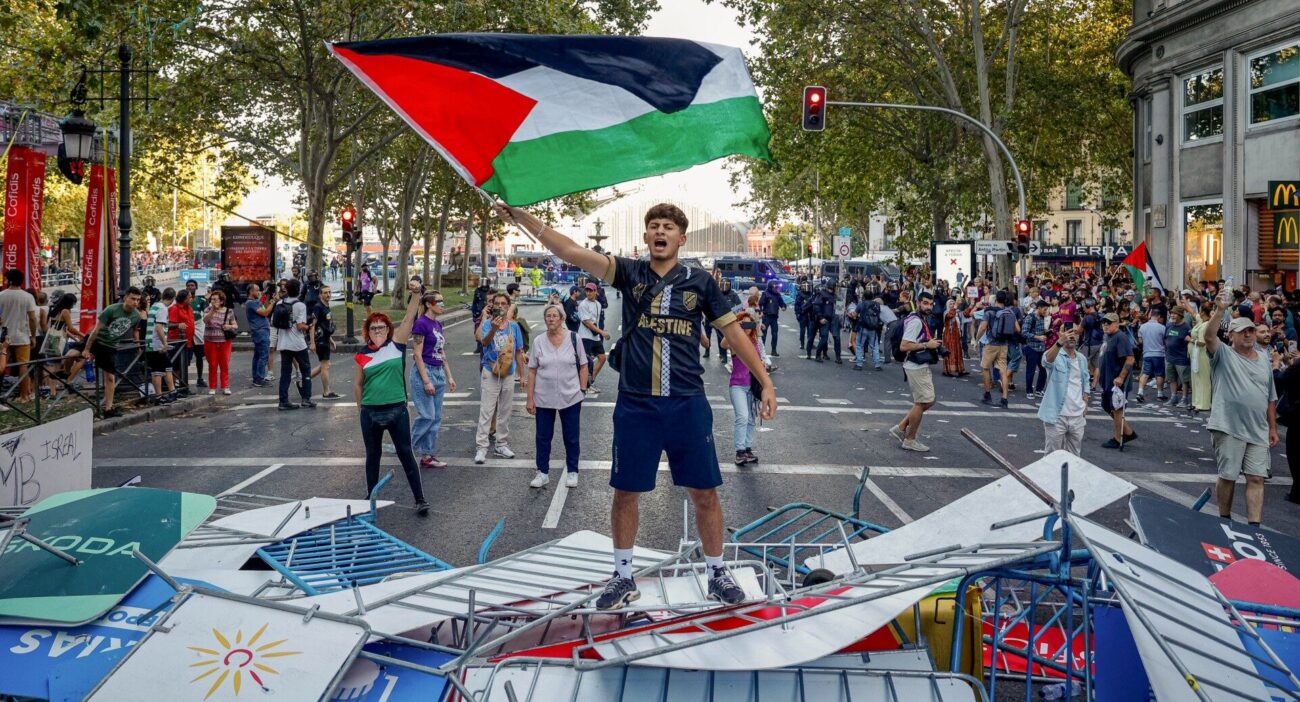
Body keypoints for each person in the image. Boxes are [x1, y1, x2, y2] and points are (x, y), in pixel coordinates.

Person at [497, 201, 775, 611]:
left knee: (705, 493)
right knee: (625, 492)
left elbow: (733, 334)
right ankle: (623, 576)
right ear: (646, 237)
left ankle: (716, 571)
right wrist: (523, 218)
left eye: (668, 227)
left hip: (686, 403)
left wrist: (764, 380)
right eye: (654, 226)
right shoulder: (628, 273)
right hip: (636, 405)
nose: (660, 231)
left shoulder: (700, 282)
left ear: (681, 238)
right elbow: (571, 251)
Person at [355, 281, 429, 516]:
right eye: (374, 328)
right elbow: (358, 384)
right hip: (370, 412)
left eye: (382, 328)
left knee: (406, 454)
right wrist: (361, 410)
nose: (378, 331)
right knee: (372, 457)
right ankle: (370, 499)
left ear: (388, 330)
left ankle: (420, 499)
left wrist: (416, 294)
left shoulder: (397, 346)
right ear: (368, 331)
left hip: (396, 410)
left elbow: (408, 318)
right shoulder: (362, 355)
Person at [1203, 294, 1277, 526]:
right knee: (1229, 476)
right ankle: (1224, 519)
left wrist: (1273, 427)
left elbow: (1270, 396)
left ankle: (1254, 526)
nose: (1248, 334)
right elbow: (1208, 336)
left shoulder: (1264, 358)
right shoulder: (1223, 354)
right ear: (1231, 336)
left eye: (1251, 331)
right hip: (1228, 426)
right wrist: (1220, 310)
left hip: (1258, 429)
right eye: (1242, 331)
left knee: (1257, 477)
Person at [526, 304, 589, 487]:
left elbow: (583, 365)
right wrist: (530, 399)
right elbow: (531, 371)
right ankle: (542, 472)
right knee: (543, 437)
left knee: (571, 436)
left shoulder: (574, 338)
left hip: (570, 396)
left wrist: (582, 390)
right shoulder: (539, 341)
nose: (551, 319)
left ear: (562, 319)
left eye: (555, 316)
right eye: (548, 316)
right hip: (544, 397)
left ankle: (572, 471)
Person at [474, 291, 526, 464]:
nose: (501, 307)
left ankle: (501, 444)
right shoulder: (488, 324)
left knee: (505, 410)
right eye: (498, 304)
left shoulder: (514, 326)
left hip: (509, 372)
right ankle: (481, 447)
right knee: (487, 410)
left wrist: (522, 374)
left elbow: (519, 351)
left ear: (508, 305)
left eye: (504, 304)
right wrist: (494, 328)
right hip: (490, 369)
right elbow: (484, 342)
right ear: (493, 306)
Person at [410, 290, 457, 469]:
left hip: (438, 371)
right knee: (427, 416)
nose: (442, 305)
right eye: (439, 301)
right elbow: (417, 354)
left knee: (436, 418)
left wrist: (449, 376)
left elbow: (441, 352)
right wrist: (426, 380)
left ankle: (427, 455)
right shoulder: (421, 324)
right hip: (425, 372)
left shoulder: (437, 325)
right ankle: (407, 446)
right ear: (429, 304)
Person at [889, 292, 941, 452]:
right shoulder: (916, 322)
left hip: (917, 365)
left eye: (931, 304)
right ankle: (909, 439)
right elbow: (904, 346)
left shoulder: (917, 318)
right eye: (925, 303)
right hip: (915, 365)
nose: (928, 307)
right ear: (918, 303)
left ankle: (901, 427)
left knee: (926, 401)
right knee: (923, 402)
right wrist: (927, 345)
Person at [85, 287, 143, 418]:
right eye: (133, 299)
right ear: (125, 298)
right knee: (76, 355)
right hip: (97, 341)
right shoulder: (111, 310)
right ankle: (63, 374)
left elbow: (135, 330)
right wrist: (87, 349)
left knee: (110, 377)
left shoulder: (136, 316)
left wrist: (137, 344)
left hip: (110, 346)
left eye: (138, 300)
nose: (135, 302)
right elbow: (96, 330)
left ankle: (108, 408)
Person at [1038, 328, 1090, 456]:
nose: (1071, 336)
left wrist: (1086, 400)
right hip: (1057, 415)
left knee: (1074, 456)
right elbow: (1046, 361)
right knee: (1051, 456)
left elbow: (1085, 380)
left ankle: (1071, 477)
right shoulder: (1056, 354)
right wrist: (1059, 342)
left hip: (1077, 415)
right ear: (1060, 334)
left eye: (1075, 333)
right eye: (1067, 332)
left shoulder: (1082, 358)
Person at [721, 311, 763, 465]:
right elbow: (723, 344)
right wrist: (735, 329)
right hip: (738, 385)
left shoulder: (756, 343)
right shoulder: (735, 343)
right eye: (743, 324)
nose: (746, 327)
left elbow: (761, 361)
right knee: (742, 417)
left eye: (748, 324)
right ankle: (739, 451)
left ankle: (747, 448)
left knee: (752, 419)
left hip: (752, 385)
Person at [1098, 312, 1138, 449]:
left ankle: (1118, 437)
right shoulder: (1108, 337)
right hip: (1107, 380)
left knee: (1117, 409)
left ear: (1116, 323)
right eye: (1104, 323)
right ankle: (1128, 432)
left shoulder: (1120, 337)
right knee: (1106, 405)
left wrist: (1121, 377)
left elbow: (1130, 358)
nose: (1105, 325)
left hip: (1117, 382)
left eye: (1108, 323)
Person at [274, 279, 314, 410]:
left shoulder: (280, 302)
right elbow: (300, 325)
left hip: (283, 342)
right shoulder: (300, 305)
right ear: (298, 290)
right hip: (297, 343)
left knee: (285, 372)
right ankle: (306, 398)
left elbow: (274, 321)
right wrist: (309, 326)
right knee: (305, 369)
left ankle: (283, 400)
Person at [0, 270, 39, 402]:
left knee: (1, 365)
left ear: (9, 280)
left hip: (4, 337)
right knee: (23, 366)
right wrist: (33, 336)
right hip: (22, 336)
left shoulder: (1, 295)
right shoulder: (27, 297)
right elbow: (32, 318)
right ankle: (24, 396)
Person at [978, 291, 1016, 408]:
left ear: (995, 300)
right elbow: (1014, 328)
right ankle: (1004, 399)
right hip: (1004, 344)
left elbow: (983, 327)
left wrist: (977, 338)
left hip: (991, 343)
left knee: (985, 368)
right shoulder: (1010, 312)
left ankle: (987, 394)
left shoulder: (989, 311)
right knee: (1003, 371)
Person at [201, 290, 237, 395]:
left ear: (221, 301)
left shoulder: (229, 311)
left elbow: (235, 325)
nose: (212, 301)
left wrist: (229, 326)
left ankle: (225, 386)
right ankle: (212, 387)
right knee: (212, 364)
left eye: (215, 299)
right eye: (211, 299)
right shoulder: (208, 309)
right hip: (210, 341)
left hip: (224, 341)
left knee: (224, 364)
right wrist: (213, 310)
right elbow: (205, 320)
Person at [308, 286, 340, 399]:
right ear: (320, 295)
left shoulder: (326, 307)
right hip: (320, 340)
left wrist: (331, 339)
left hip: (325, 339)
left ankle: (304, 379)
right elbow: (312, 326)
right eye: (325, 293)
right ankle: (326, 392)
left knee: (325, 365)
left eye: (330, 292)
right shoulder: (318, 307)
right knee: (325, 365)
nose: (328, 294)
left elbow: (325, 325)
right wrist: (312, 343)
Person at [577, 282, 610, 393]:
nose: (588, 293)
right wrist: (602, 332)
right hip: (585, 336)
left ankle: (590, 381)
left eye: (591, 291)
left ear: (595, 291)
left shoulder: (598, 304)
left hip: (594, 337)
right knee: (587, 362)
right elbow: (588, 323)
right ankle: (585, 384)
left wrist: (600, 332)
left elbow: (597, 321)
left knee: (602, 358)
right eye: (587, 290)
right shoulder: (583, 305)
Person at [146, 287, 176, 404]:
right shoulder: (163, 309)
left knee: (165, 368)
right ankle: (161, 395)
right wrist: (165, 343)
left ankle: (170, 393)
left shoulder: (155, 305)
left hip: (151, 342)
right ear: (173, 299)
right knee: (158, 370)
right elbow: (159, 327)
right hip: (156, 344)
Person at [244, 283, 273, 387]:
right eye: (257, 290)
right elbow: (265, 313)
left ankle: (257, 378)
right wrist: (273, 302)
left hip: (260, 331)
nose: (259, 292)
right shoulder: (251, 303)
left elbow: (264, 308)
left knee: (258, 355)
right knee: (263, 355)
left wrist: (268, 298)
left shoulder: (255, 302)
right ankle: (259, 378)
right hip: (260, 331)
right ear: (251, 291)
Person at [1136, 309, 1167, 403]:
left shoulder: (1142, 327)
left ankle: (1140, 391)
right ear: (1158, 317)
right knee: (1159, 374)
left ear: (1150, 315)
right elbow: (1165, 341)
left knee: (1145, 373)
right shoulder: (1162, 327)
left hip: (1147, 353)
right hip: (1159, 354)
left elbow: (1140, 341)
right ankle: (1160, 394)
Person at [1164, 306, 1193, 407]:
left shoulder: (1186, 327)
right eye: (1171, 313)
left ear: (1181, 315)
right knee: (1171, 378)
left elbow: (1191, 340)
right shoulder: (1169, 325)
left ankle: (1184, 399)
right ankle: (1173, 397)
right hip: (1170, 357)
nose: (1172, 315)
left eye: (1175, 314)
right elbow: (1165, 338)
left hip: (1182, 358)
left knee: (1184, 380)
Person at [1021, 301, 1051, 398]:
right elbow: (1024, 332)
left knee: (1043, 369)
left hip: (1041, 348)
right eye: (1044, 309)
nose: (1046, 311)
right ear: (1039, 308)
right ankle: (1029, 390)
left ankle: (1039, 389)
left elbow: (1042, 330)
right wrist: (1037, 337)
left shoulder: (1043, 318)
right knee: (1031, 370)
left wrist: (1047, 332)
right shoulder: (1030, 317)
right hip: (1031, 347)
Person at [169, 289, 195, 392]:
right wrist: (178, 325)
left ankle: (183, 386)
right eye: (189, 297)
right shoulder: (174, 309)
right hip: (177, 342)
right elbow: (169, 324)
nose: (191, 299)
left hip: (188, 342)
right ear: (184, 299)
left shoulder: (189, 308)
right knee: (176, 366)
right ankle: (174, 389)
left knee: (185, 365)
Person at [186, 280, 208, 388]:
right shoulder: (184, 301)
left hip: (199, 331)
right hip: (187, 332)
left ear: (196, 287)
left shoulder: (201, 300)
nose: (190, 287)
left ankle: (200, 378)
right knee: (186, 359)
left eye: (192, 285)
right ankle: (184, 381)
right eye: (189, 286)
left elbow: (207, 312)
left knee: (199, 357)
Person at [855, 294, 884, 371]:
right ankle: (877, 364)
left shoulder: (861, 304)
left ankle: (859, 364)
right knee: (875, 346)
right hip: (873, 328)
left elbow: (855, 314)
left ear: (864, 297)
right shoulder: (877, 305)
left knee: (859, 345)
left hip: (863, 327)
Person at [759, 280, 786, 357]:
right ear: (771, 287)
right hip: (766, 316)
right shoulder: (765, 294)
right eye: (775, 287)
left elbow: (782, 303)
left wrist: (783, 307)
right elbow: (760, 304)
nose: (776, 289)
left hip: (774, 317)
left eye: (777, 287)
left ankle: (774, 350)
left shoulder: (778, 295)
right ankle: (762, 350)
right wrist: (761, 312)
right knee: (763, 334)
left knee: (775, 334)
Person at [940, 299, 966, 377]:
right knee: (950, 351)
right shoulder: (946, 313)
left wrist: (971, 305)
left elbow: (966, 314)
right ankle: (949, 370)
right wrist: (955, 307)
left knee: (958, 351)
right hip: (949, 335)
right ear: (948, 305)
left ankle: (959, 369)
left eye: (953, 303)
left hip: (956, 335)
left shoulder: (957, 312)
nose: (952, 305)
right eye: (950, 304)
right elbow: (950, 316)